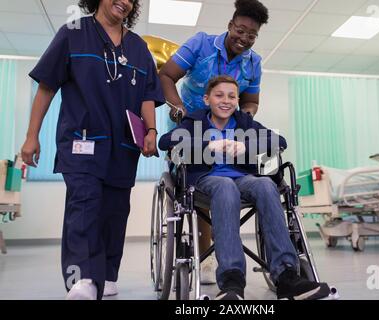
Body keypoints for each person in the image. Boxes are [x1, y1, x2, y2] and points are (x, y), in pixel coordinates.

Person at [21, 0, 164, 300]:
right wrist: (32, 136)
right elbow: (47, 86)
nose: (124, 1)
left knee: (115, 211)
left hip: (124, 147)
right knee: (84, 206)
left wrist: (151, 130)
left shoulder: (138, 47)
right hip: (80, 141)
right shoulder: (73, 33)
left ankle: (108, 275)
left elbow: (148, 96)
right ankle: (82, 278)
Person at [159, 75, 331, 300]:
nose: (226, 101)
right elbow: (166, 141)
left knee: (266, 184)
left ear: (237, 100)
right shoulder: (195, 122)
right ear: (207, 98)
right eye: (219, 95)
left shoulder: (243, 122)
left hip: (242, 179)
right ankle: (232, 280)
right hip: (207, 180)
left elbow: (279, 141)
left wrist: (245, 145)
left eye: (232, 96)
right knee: (225, 186)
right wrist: (208, 145)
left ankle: (287, 276)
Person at [159, 0, 269, 283]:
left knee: (237, 180)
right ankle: (208, 255)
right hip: (191, 126)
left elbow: (251, 101)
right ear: (230, 25)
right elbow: (167, 76)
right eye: (240, 30)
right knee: (202, 184)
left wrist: (242, 120)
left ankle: (227, 258)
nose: (244, 38)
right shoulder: (201, 45)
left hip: (228, 131)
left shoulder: (254, 63)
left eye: (252, 35)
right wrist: (179, 110)